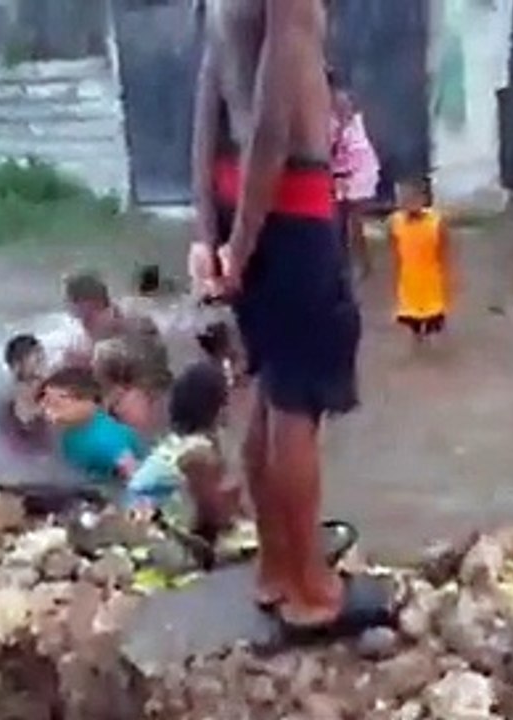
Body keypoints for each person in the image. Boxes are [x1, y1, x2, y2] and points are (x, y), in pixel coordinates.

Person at [190, 0, 389, 637]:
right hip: (289, 202)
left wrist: (211, 237)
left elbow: (205, 117)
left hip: (234, 201)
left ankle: (276, 571)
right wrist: (241, 250)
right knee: (299, 395)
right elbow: (272, 125)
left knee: (272, 390)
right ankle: (312, 590)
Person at [126, 362, 245, 554]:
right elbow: (215, 512)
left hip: (142, 520)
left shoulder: (180, 441)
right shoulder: (197, 451)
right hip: (152, 534)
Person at [63, 271, 172, 392]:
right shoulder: (78, 344)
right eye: (78, 317)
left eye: (88, 318)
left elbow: (158, 368)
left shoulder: (135, 322)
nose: (85, 326)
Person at [38, 367, 145, 485]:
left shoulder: (108, 440)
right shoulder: (72, 429)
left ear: (86, 401)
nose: (48, 411)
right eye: (47, 403)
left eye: (58, 403)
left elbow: (139, 480)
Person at [389, 176, 454, 344]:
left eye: (413, 198)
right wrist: (396, 275)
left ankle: (433, 341)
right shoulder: (396, 222)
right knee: (412, 318)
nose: (408, 202)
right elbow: (395, 250)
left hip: (431, 277)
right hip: (409, 278)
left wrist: (448, 277)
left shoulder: (436, 222)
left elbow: (444, 251)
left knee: (434, 317)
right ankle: (418, 338)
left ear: (424, 199)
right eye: (404, 198)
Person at [330, 80, 380, 278]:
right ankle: (343, 263)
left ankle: (361, 263)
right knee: (338, 219)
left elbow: (356, 153)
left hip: (356, 172)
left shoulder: (352, 126)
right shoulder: (325, 115)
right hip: (337, 173)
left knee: (353, 219)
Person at [93, 336, 160, 440]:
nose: (91, 364)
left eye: (96, 361)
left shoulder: (132, 400)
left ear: (109, 366)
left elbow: (139, 438)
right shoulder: (105, 395)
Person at [0, 334, 51, 453]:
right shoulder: (9, 404)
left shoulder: (52, 392)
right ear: (17, 365)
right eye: (37, 359)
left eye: (43, 357)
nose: (44, 363)